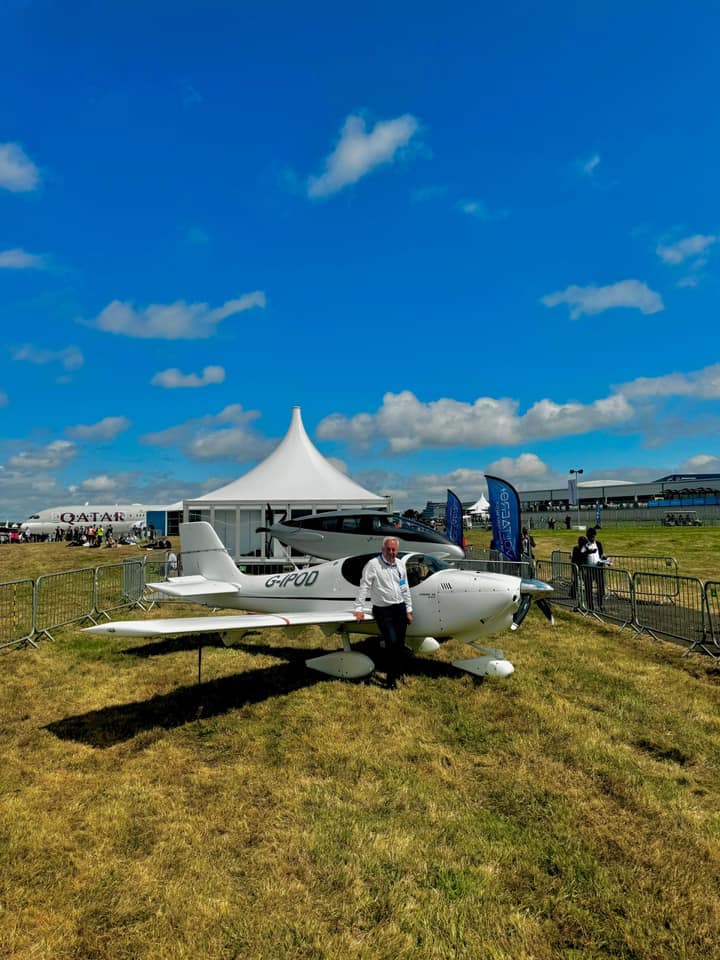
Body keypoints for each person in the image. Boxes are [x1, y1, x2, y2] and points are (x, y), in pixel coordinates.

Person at [354, 536, 413, 688]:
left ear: (397, 550)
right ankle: (390, 681)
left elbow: (404, 588)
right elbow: (364, 586)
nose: (391, 552)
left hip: (399, 609)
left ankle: (398, 674)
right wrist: (358, 608)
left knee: (400, 644)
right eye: (388, 549)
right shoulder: (373, 565)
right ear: (383, 549)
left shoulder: (400, 565)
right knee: (391, 643)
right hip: (383, 610)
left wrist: (408, 609)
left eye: (394, 550)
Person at [580, 527, 608, 610]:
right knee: (589, 589)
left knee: (601, 588)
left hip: (598, 569)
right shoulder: (584, 546)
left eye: (594, 536)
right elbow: (582, 556)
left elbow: (602, 554)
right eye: (591, 537)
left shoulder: (598, 544)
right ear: (588, 537)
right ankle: (590, 606)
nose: (592, 538)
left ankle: (600, 604)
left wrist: (605, 558)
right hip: (588, 570)